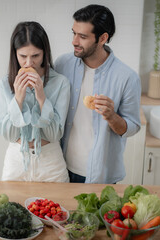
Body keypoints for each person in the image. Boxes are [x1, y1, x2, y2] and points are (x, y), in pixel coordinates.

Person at [54, 4, 141, 184]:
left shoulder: (127, 77)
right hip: (60, 168)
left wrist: (112, 116)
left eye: (83, 36)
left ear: (102, 38)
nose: (74, 41)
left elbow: (132, 127)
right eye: (74, 33)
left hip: (101, 175)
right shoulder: (62, 64)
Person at [0, 21, 70, 182]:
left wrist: (41, 96)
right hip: (16, 161)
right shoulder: (3, 85)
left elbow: (54, 134)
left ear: (45, 53)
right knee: (11, 205)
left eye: (35, 56)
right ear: (14, 54)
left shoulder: (60, 83)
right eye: (23, 56)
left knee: (57, 206)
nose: (29, 63)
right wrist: (18, 99)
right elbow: (10, 135)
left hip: (50, 163)